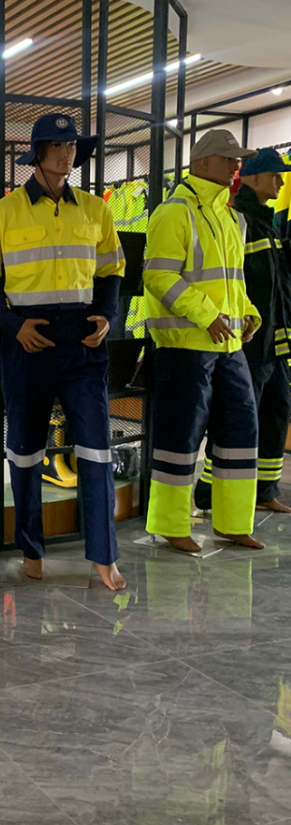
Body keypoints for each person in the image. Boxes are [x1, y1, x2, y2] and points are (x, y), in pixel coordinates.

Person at [0, 113, 127, 591]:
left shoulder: (96, 211)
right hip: (28, 343)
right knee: (25, 451)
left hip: (83, 341)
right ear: (37, 153)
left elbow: (112, 272)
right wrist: (14, 326)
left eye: (72, 145)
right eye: (57, 145)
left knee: (96, 448)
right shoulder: (4, 212)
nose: (66, 153)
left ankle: (104, 555)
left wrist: (107, 315)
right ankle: (30, 547)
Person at [144, 129, 264, 552]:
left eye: (237, 160)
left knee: (240, 431)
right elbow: (158, 276)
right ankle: (171, 524)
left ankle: (233, 522)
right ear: (201, 163)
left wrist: (249, 313)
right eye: (228, 159)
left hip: (228, 346)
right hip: (185, 345)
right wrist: (207, 315)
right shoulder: (173, 212)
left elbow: (233, 281)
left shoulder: (233, 218)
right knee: (181, 437)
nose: (235, 166)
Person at [194, 148, 291, 514]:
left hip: (274, 341)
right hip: (247, 341)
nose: (280, 182)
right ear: (252, 178)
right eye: (274, 175)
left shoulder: (267, 223)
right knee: (236, 417)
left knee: (276, 411)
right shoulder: (238, 221)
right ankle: (210, 491)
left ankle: (264, 490)